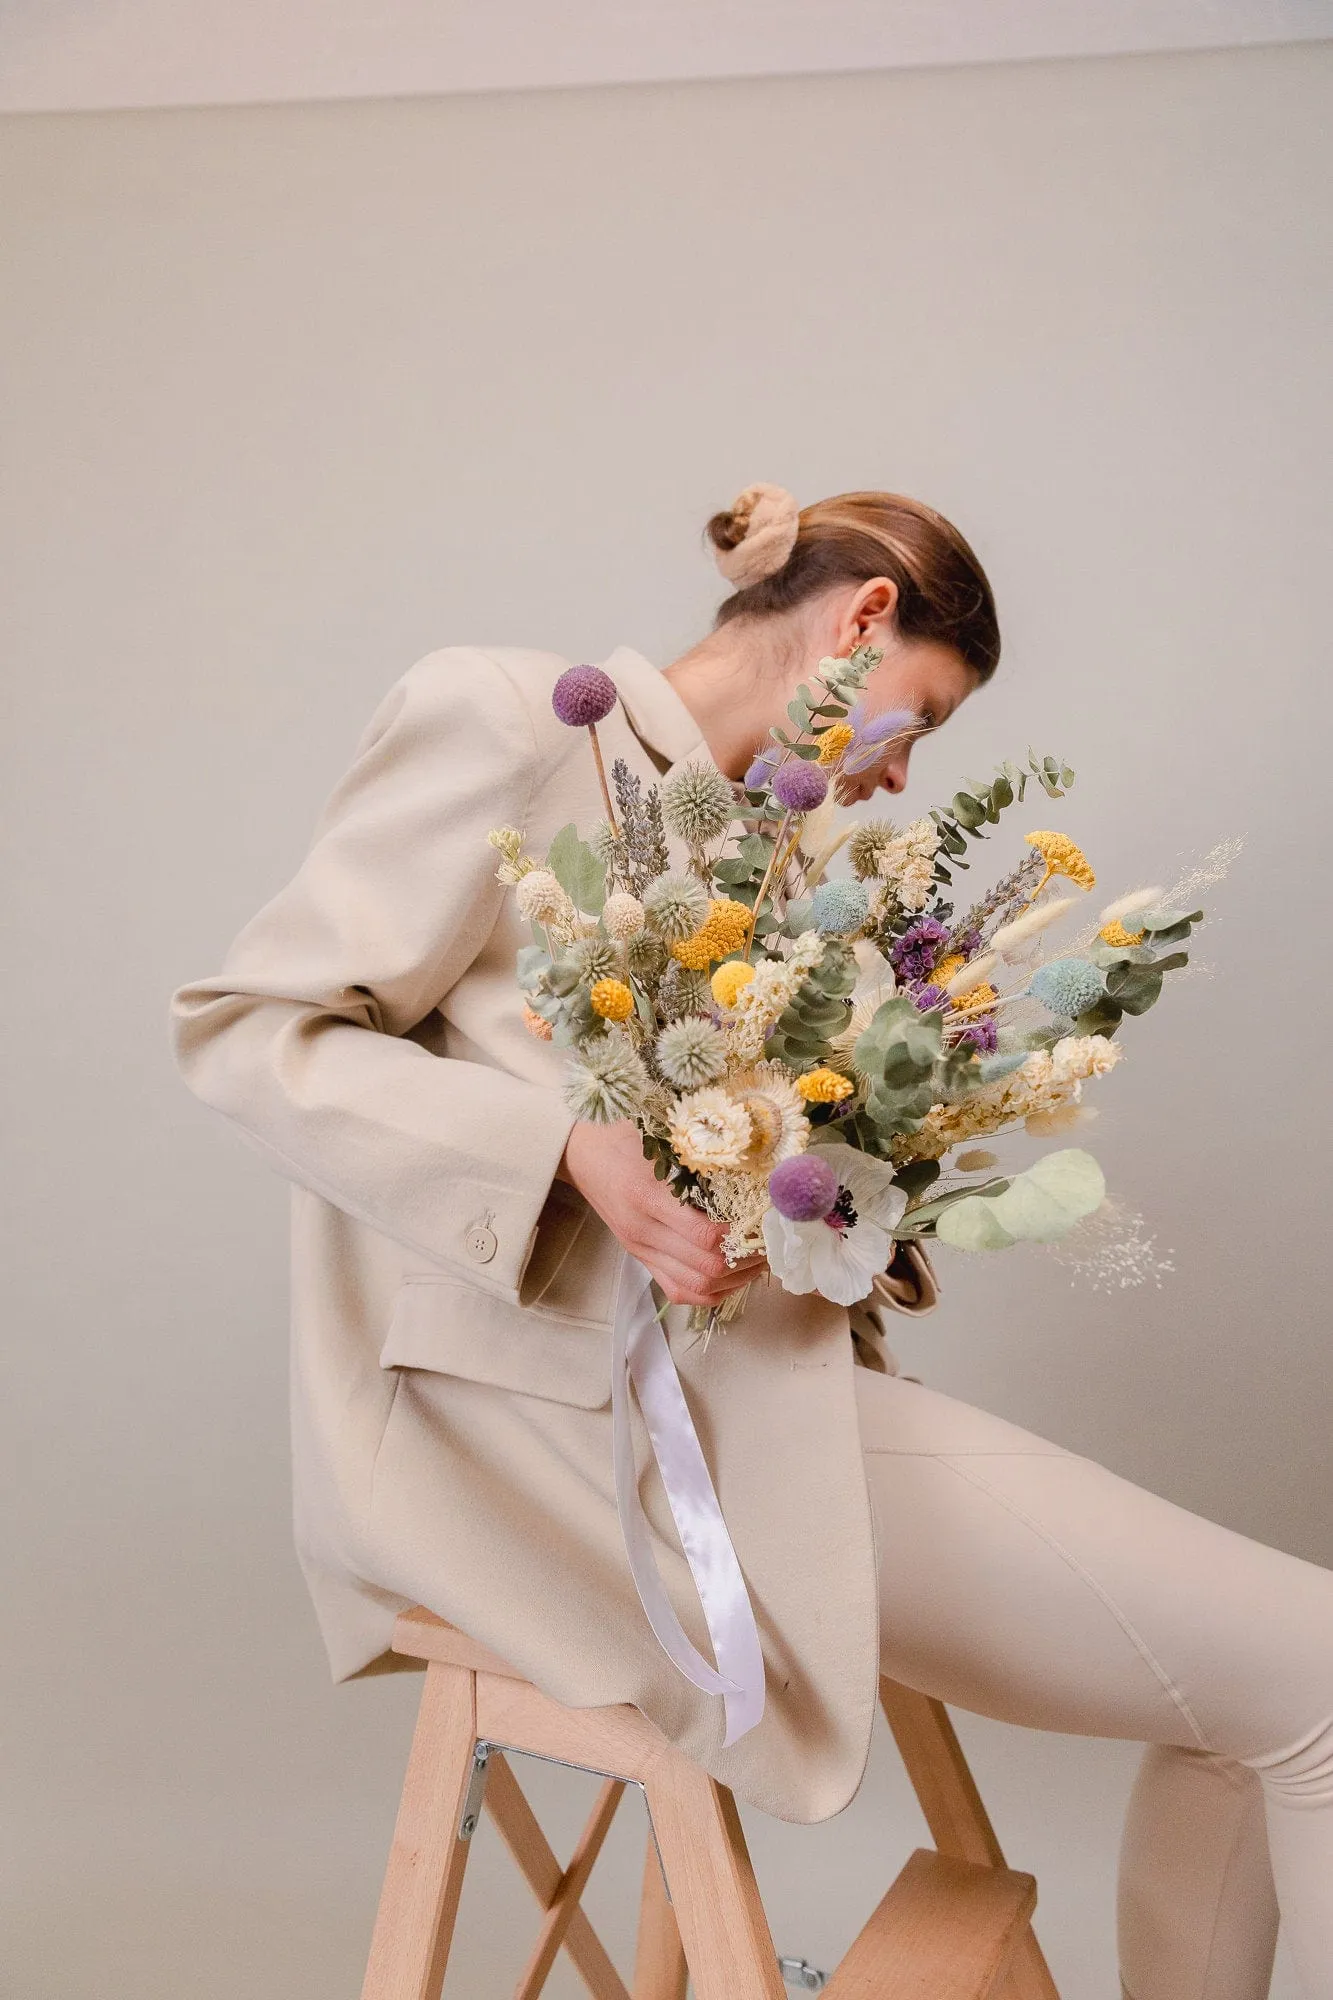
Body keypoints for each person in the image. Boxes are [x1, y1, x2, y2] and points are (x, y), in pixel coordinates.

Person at [170, 484, 1332, 1998]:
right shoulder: (517, 716)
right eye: (914, 721)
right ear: (859, 625)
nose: (898, 775)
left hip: (733, 1402)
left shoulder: (775, 863)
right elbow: (252, 1029)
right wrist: (558, 1154)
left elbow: (737, 1171)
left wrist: (840, 1195)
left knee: (1283, 1684)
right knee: (1313, 1672)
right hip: (542, 1426)